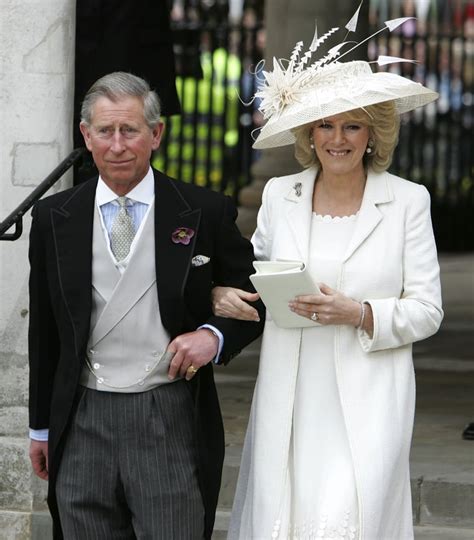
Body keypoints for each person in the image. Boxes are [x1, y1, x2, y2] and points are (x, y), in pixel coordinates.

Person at [211, 17, 444, 540]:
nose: (337, 139)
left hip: (369, 397)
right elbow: (262, 287)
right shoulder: (279, 196)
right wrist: (227, 296)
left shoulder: (408, 201)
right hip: (290, 397)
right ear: (308, 133)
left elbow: (428, 311)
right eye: (326, 125)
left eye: (352, 126)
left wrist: (360, 313)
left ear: (373, 134)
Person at [27, 71, 264, 540]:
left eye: (130, 130)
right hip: (81, 413)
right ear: (86, 136)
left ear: (155, 134)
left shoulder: (203, 211)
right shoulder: (55, 217)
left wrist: (212, 337)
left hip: (167, 411)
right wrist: (40, 428)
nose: (117, 145)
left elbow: (258, 298)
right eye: (105, 131)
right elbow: (46, 330)